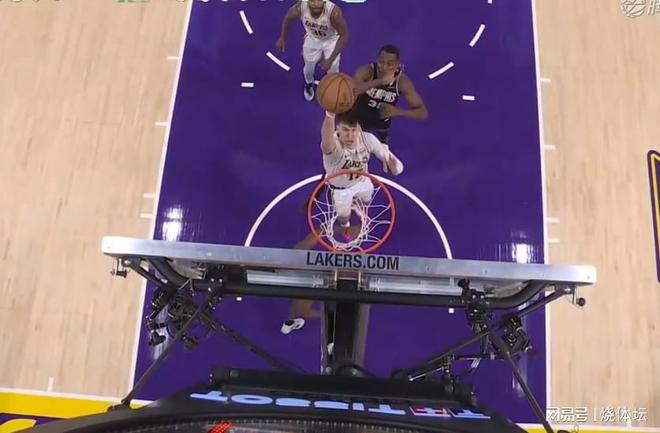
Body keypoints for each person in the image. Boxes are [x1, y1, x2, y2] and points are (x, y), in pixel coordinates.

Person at [280, 108, 404, 335]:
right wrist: (329, 116)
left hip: (362, 182)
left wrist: (393, 163)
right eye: (345, 130)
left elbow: (387, 157)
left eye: (353, 130)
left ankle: (357, 215)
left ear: (358, 129)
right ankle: (346, 225)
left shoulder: (367, 139)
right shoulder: (333, 148)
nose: (350, 135)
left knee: (367, 197)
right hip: (341, 190)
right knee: (344, 215)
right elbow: (326, 139)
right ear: (338, 130)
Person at [352, 45, 428, 143]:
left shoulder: (402, 82)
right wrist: (379, 81)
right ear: (377, 59)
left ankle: (384, 139)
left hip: (382, 119)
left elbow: (423, 113)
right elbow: (352, 92)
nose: (384, 67)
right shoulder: (366, 71)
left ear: (397, 65)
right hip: (359, 115)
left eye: (390, 64)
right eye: (381, 62)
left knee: (383, 137)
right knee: (355, 144)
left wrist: (397, 111)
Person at [276, 0, 350, 101]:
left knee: (333, 69)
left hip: (331, 41)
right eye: (312, 1)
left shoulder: (334, 12)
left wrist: (330, 59)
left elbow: (344, 35)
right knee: (308, 67)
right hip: (312, 39)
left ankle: (332, 86)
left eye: (319, 1)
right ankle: (309, 83)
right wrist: (283, 38)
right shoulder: (300, 8)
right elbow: (288, 18)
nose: (316, 4)